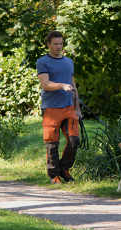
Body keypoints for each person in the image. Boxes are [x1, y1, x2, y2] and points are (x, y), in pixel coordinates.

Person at [36, 31, 82, 184]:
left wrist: (78, 108)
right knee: (52, 143)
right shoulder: (42, 61)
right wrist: (62, 85)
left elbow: (73, 85)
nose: (58, 47)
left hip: (69, 107)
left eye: (61, 43)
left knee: (74, 140)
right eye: (55, 44)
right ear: (48, 44)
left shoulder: (69, 62)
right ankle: (54, 175)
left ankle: (64, 168)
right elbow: (45, 84)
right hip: (51, 108)